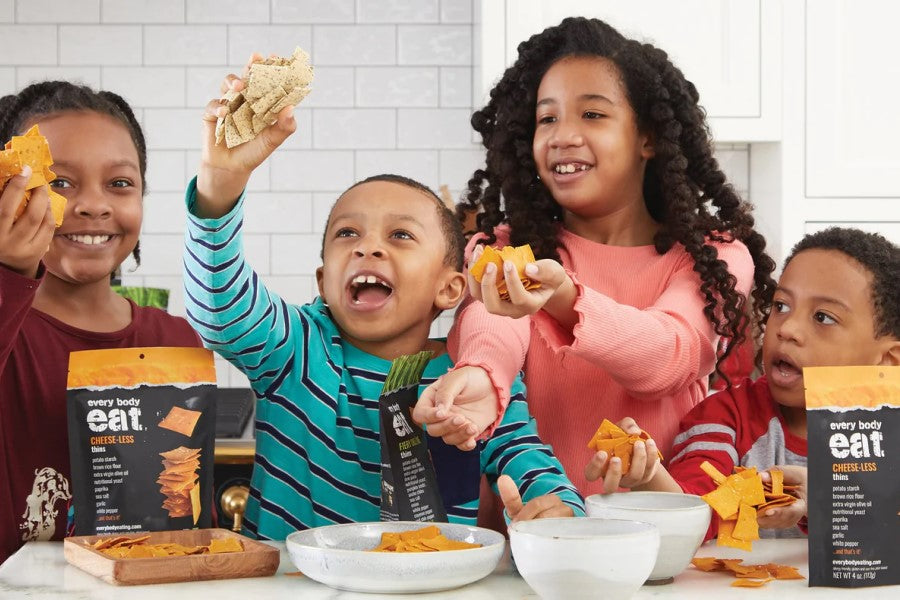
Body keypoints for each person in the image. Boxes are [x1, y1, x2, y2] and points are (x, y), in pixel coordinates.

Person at [182, 70, 584, 540]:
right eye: (347, 233)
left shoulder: (475, 378)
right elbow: (219, 308)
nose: (367, 247)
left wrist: (560, 513)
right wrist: (219, 185)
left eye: (400, 235)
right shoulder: (296, 349)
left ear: (450, 289)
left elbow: (526, 458)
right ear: (323, 282)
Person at [414, 16, 778, 499]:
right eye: (547, 118)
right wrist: (481, 372)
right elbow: (495, 323)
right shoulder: (507, 247)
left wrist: (565, 298)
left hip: (662, 542)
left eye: (592, 115)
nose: (562, 135)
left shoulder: (712, 254)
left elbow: (669, 354)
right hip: (533, 538)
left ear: (647, 137)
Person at [0, 82, 202, 564]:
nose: (94, 204)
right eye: (61, 183)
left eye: (120, 183)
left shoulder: (172, 339)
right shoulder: (11, 331)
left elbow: (188, 504)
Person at [589, 227, 900, 538]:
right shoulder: (726, 416)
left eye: (823, 317)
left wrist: (824, 498)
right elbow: (696, 512)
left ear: (889, 360)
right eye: (781, 306)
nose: (787, 328)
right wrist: (649, 474)